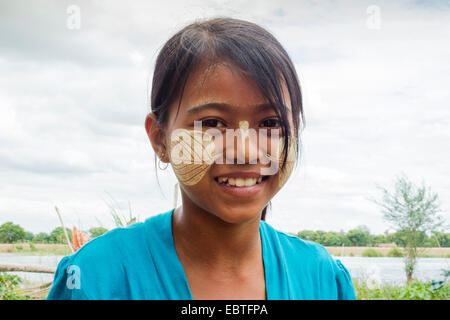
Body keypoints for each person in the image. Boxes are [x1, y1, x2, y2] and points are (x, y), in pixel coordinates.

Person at [47, 17, 356, 300]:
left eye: (270, 124)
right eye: (212, 124)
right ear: (160, 139)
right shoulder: (97, 278)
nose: (245, 152)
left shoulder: (322, 278)